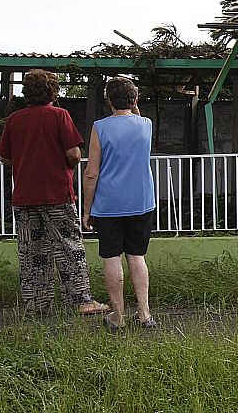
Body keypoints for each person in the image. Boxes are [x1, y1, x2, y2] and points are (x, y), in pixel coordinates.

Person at [0, 69, 110, 316]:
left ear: (27, 92)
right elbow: (73, 153)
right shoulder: (60, 115)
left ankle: (37, 304)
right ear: (53, 92)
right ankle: (80, 301)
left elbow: (5, 157)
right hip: (57, 194)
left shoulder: (15, 119)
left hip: (25, 196)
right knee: (69, 246)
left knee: (31, 251)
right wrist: (67, 165)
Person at [81, 76, 158, 331]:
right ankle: (144, 314)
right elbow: (136, 116)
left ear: (109, 101)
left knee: (112, 257)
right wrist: (134, 104)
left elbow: (92, 172)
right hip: (141, 200)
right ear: (135, 100)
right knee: (137, 256)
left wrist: (87, 209)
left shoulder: (100, 127)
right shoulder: (145, 124)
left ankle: (118, 316)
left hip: (109, 204)